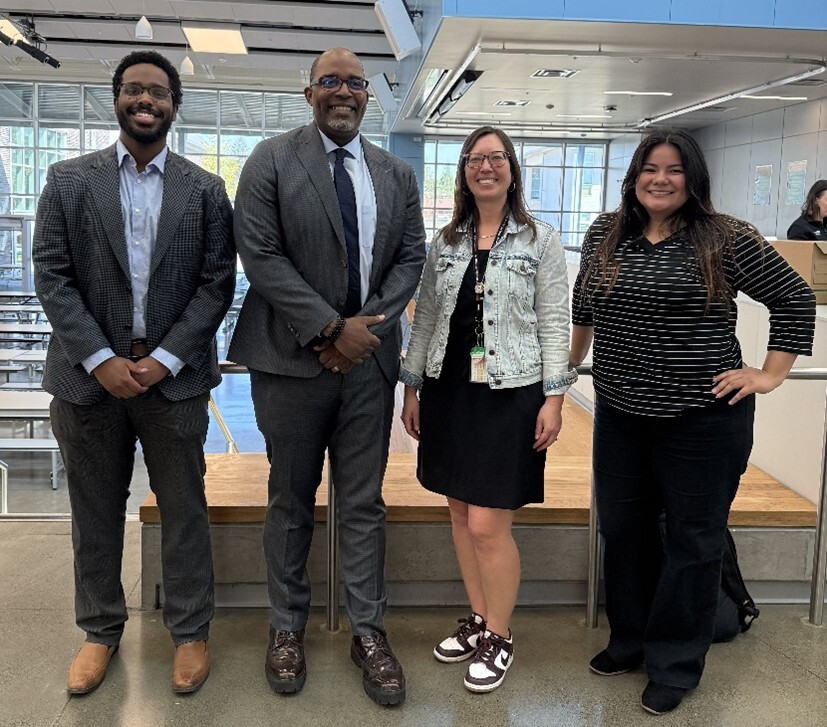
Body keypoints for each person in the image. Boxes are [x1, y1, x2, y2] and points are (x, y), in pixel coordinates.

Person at [569, 129, 815, 715]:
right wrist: (565, 370)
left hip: (703, 421)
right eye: (650, 168)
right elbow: (584, 307)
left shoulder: (723, 237)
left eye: (674, 170)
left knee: (692, 540)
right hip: (621, 414)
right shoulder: (607, 232)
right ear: (634, 175)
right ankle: (629, 639)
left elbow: (794, 297)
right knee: (623, 530)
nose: (660, 179)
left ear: (693, 178)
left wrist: (768, 374)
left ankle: (675, 661)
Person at [33, 50, 236, 695]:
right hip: (86, 381)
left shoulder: (204, 189)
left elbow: (216, 285)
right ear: (116, 99)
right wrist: (101, 358)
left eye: (158, 92)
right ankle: (99, 631)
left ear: (175, 105)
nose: (145, 100)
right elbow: (53, 276)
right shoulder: (68, 180)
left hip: (172, 383)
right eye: (133, 90)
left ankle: (190, 632)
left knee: (184, 511)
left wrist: (163, 360)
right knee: (94, 512)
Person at [228, 47, 426, 706]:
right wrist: (327, 328)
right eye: (330, 81)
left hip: (368, 366)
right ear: (308, 92)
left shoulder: (394, 172)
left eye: (354, 82)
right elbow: (260, 252)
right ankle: (287, 625)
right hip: (288, 362)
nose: (343, 90)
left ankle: (367, 629)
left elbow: (409, 257)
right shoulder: (271, 160)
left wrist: (362, 329)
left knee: (363, 501)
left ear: (369, 96)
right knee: (289, 499)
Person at [400, 126, 577, 693]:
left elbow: (554, 320)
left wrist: (555, 397)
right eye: (476, 159)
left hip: (512, 391)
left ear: (512, 169)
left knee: (487, 522)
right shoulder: (446, 242)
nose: (486, 167)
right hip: (451, 390)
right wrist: (410, 388)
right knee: (458, 511)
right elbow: (424, 317)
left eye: (496, 158)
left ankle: (499, 635)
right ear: (464, 172)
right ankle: (479, 620)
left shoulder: (539, 239)